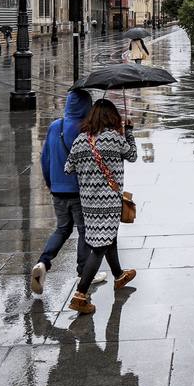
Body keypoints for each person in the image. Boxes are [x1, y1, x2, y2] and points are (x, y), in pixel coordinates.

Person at [30, 90, 108, 295]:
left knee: (62, 229)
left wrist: (51, 184)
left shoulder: (55, 126)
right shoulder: (88, 130)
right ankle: (84, 272)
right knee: (84, 230)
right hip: (79, 191)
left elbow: (44, 159)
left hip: (58, 189)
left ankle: (43, 263)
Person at [67, 98, 138, 314]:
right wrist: (129, 132)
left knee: (107, 238)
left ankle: (118, 275)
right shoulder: (115, 139)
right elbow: (132, 156)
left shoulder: (80, 140)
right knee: (99, 247)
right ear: (112, 117)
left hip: (88, 203)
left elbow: (68, 167)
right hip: (109, 201)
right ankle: (80, 294)